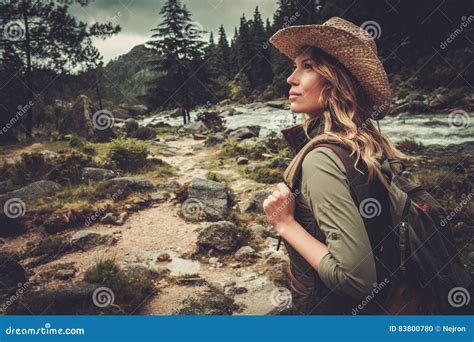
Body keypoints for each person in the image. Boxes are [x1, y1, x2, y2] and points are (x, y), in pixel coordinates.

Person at [263, 17, 406, 315]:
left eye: (308, 66)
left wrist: (285, 224)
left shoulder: (322, 159)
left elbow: (356, 280)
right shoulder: (370, 144)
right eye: (295, 66)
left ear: (336, 81)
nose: (291, 78)